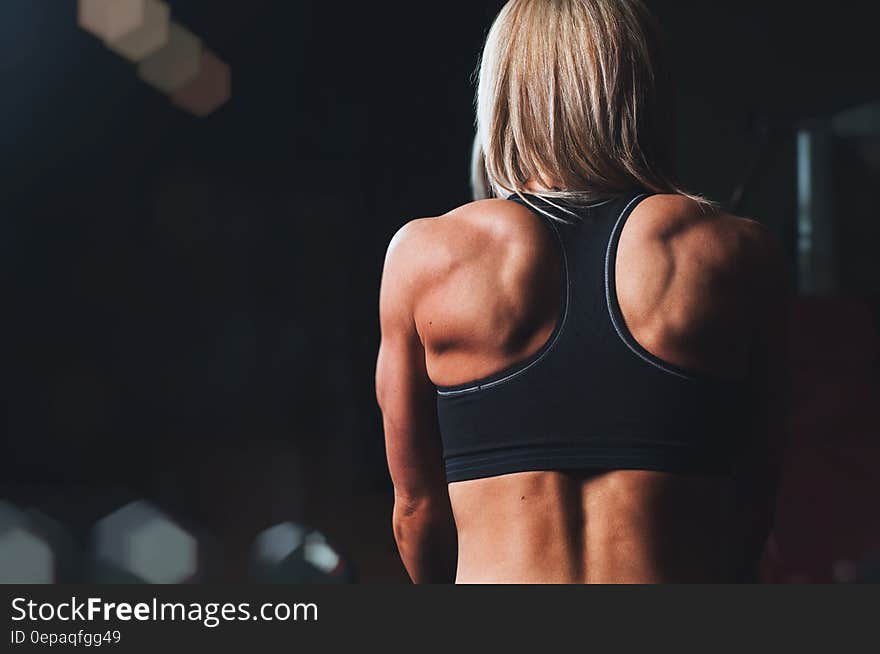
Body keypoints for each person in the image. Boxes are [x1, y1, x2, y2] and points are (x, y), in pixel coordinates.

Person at [375, 0, 789, 583]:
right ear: (642, 89)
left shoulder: (427, 257)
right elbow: (755, 499)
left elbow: (415, 512)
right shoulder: (735, 253)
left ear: (504, 95)